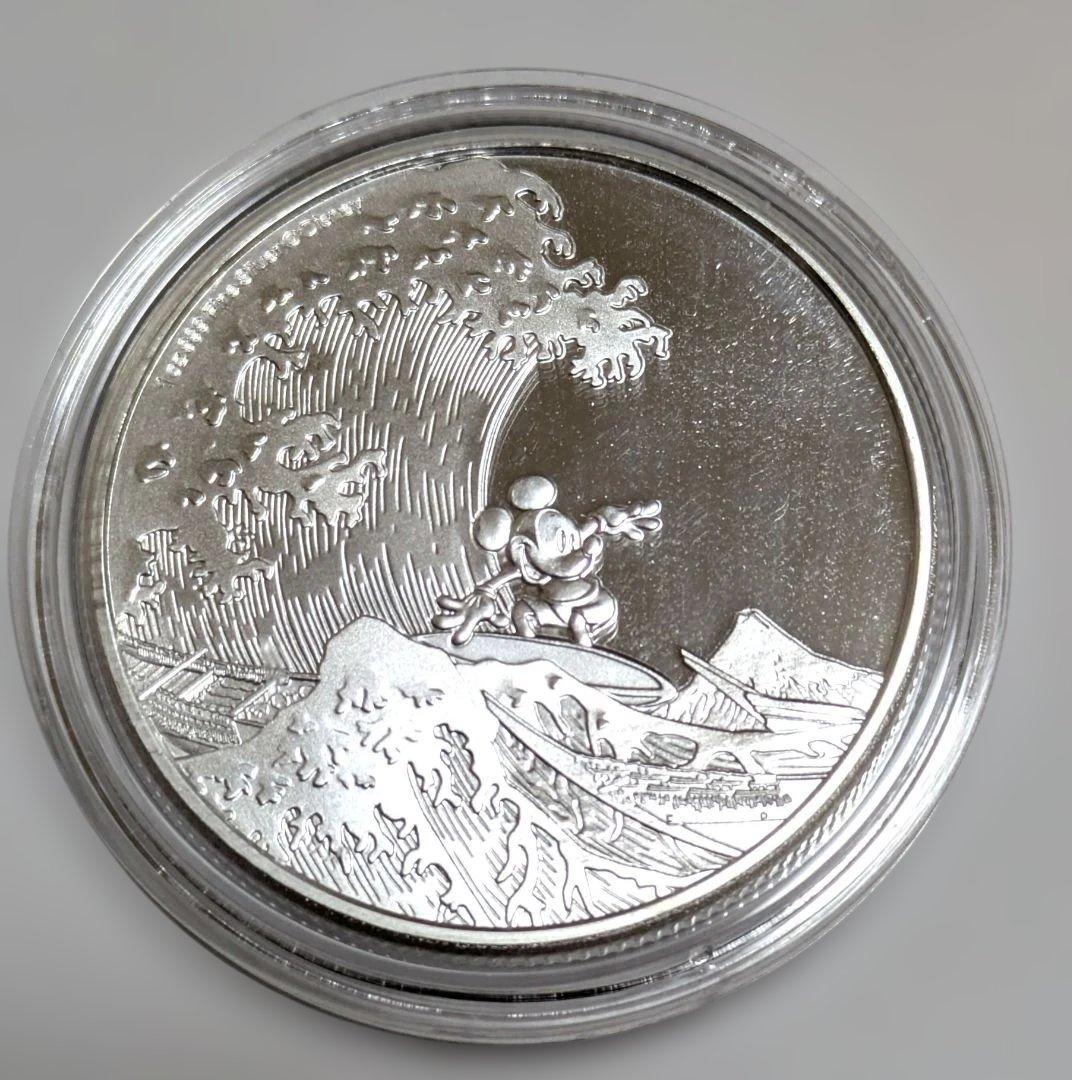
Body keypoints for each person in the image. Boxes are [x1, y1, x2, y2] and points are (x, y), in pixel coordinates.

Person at [433, 475, 661, 647]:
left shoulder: (575, 544)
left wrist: (618, 517)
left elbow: (597, 523)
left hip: (593, 603)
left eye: (563, 526)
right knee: (522, 610)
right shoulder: (531, 566)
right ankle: (529, 648)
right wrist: (481, 599)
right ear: (526, 553)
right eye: (559, 539)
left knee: (580, 619)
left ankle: (584, 649)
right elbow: (493, 585)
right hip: (554, 610)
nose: (573, 540)